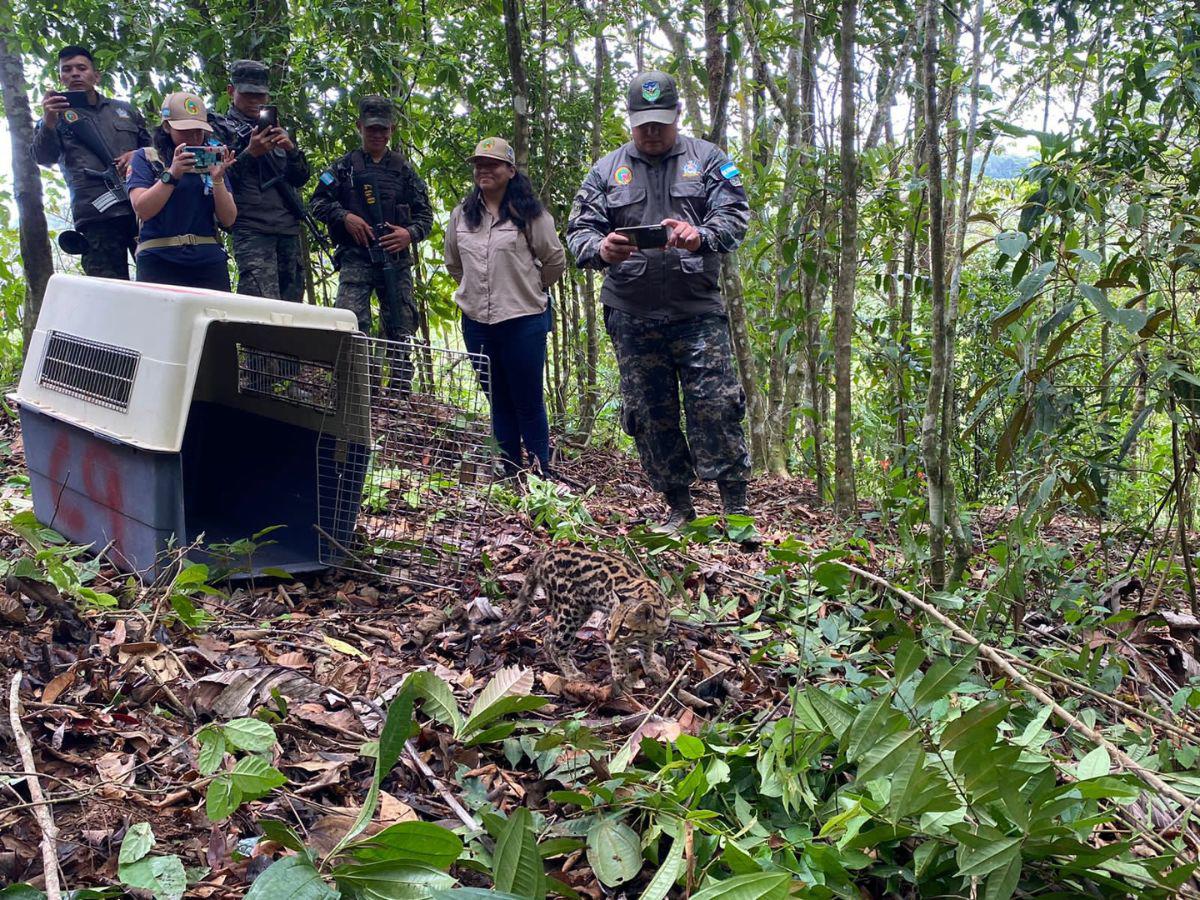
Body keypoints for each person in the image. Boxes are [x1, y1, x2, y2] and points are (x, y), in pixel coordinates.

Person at [566, 70, 754, 535]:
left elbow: (735, 216)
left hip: (696, 309)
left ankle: (735, 508)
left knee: (716, 404)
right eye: (643, 123)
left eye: (661, 123)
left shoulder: (709, 160)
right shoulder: (606, 170)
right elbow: (578, 232)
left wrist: (701, 236)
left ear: (677, 116)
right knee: (649, 411)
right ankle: (679, 507)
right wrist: (600, 249)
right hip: (632, 311)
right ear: (629, 120)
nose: (651, 132)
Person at [444, 137, 566, 477]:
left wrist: (529, 288)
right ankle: (509, 470)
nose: (484, 170)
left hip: (523, 320)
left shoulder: (531, 215)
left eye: (492, 164)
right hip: (477, 322)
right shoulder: (461, 216)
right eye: (479, 164)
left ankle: (542, 472)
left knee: (527, 400)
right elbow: (454, 264)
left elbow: (554, 260)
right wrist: (477, 290)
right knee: (497, 400)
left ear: (510, 170)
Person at [310, 96, 433, 341]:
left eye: (383, 129)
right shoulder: (343, 168)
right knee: (349, 325)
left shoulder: (404, 170)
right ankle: (353, 380)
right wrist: (344, 217)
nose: (377, 135)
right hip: (356, 258)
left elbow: (425, 216)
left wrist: (408, 234)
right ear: (359, 127)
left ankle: (400, 381)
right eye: (371, 129)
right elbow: (317, 203)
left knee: (402, 328)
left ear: (392, 130)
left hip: (395, 262)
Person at [31, 45, 150, 279]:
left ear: (96, 75)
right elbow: (43, 157)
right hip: (96, 217)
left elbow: (157, 150)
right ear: (60, 78)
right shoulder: (53, 118)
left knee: (157, 285)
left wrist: (138, 155)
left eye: (81, 68)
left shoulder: (124, 110)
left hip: (141, 209)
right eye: (67, 69)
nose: (74, 73)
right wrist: (48, 121)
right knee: (108, 292)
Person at [210, 59, 311, 301]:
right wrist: (249, 153)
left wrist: (291, 150)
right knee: (259, 305)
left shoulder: (276, 128)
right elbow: (218, 179)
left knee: (293, 309)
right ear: (231, 91)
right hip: (252, 228)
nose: (255, 101)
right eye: (248, 94)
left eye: (260, 95)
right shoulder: (218, 129)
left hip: (287, 228)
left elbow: (300, 179)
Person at [126, 91, 236, 290]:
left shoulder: (211, 159)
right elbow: (142, 209)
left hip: (207, 259)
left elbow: (228, 219)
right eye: (185, 131)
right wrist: (173, 173)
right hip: (159, 258)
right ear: (167, 127)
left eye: (198, 131)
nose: (194, 137)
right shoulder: (148, 158)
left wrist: (217, 180)